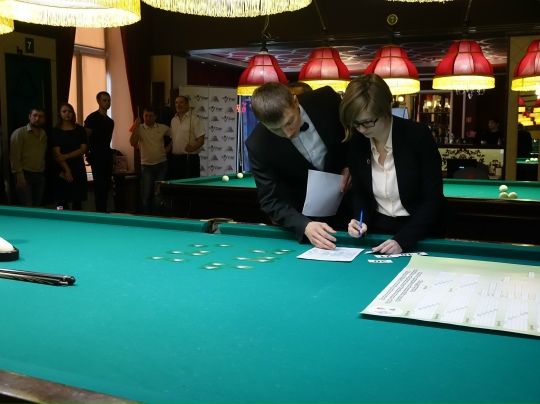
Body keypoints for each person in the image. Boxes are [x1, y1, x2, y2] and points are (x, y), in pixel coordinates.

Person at [340, 74, 448, 254]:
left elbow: (433, 199)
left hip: (421, 231)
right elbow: (361, 194)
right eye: (356, 123)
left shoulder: (417, 136)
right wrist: (360, 221)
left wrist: (403, 240)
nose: (362, 129)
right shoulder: (357, 141)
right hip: (379, 230)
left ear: (386, 109)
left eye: (368, 122)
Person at [246, 82, 352, 250]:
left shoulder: (326, 100)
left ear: (295, 102)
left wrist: (351, 165)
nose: (288, 133)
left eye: (289, 121)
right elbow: (270, 200)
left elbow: (355, 134)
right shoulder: (257, 144)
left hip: (351, 206)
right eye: (276, 129)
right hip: (305, 219)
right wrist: (304, 225)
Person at [130, 106, 171, 214]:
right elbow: (132, 143)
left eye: (150, 116)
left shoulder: (162, 127)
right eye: (146, 115)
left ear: (155, 117)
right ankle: (145, 218)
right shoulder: (139, 128)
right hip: (146, 166)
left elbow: (176, 136)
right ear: (143, 116)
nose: (147, 118)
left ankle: (156, 218)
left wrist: (168, 148)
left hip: (161, 165)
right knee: (146, 195)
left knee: (158, 194)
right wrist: (136, 126)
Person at [51, 103, 88, 210]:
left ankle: (77, 220)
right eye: (64, 111)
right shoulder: (55, 131)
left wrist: (67, 156)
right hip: (61, 167)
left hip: (77, 166)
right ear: (60, 114)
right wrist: (67, 170)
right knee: (61, 201)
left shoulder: (80, 129)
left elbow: (83, 149)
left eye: (69, 111)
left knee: (77, 201)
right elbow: (57, 154)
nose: (67, 113)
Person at [9, 108, 48, 207]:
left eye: (40, 116)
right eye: (35, 115)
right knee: (28, 206)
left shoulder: (44, 134)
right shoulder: (19, 133)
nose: (37, 118)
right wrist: (19, 175)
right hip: (25, 175)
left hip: (40, 174)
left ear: (44, 119)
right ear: (29, 117)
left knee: (37, 206)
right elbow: (14, 156)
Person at [84, 91, 114, 212]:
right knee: (99, 186)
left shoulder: (110, 122)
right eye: (104, 100)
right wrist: (87, 154)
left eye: (108, 100)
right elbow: (86, 138)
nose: (107, 102)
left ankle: (104, 211)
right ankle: (99, 212)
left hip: (107, 154)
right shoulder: (91, 118)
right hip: (96, 155)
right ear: (98, 101)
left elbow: (108, 140)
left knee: (106, 185)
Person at [169, 96, 205, 179]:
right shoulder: (173, 120)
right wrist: (166, 149)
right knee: (176, 184)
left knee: (190, 185)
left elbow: (201, 140)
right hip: (176, 159)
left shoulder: (194, 119)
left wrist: (192, 148)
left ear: (187, 104)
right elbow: (174, 140)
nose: (178, 104)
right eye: (176, 102)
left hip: (190, 158)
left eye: (181, 102)